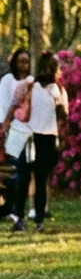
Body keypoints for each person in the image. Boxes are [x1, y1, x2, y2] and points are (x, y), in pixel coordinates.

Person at [2, 52, 67, 233]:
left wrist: (60, 106)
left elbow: (63, 116)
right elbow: (13, 106)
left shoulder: (58, 90)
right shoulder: (29, 86)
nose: (59, 71)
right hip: (30, 138)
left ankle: (39, 220)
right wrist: (6, 127)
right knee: (24, 178)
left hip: (48, 139)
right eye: (57, 67)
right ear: (49, 68)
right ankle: (19, 218)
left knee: (41, 181)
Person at [0, 49, 30, 220]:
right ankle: (7, 208)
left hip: (29, 131)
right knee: (11, 171)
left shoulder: (32, 82)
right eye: (21, 61)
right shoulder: (7, 80)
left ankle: (17, 208)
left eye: (27, 61)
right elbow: (4, 107)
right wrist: (5, 127)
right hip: (11, 130)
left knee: (23, 171)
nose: (24, 64)